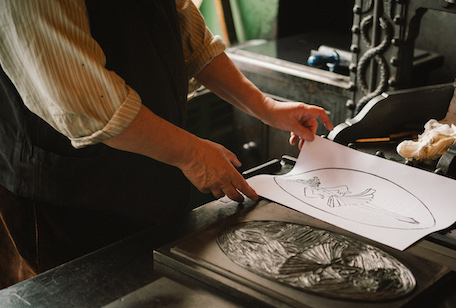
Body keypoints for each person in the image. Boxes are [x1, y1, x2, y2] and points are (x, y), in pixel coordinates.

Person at [0, 0, 333, 288]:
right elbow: (80, 95)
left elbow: (189, 35)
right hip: (65, 197)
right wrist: (191, 153)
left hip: (148, 183)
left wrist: (267, 108)